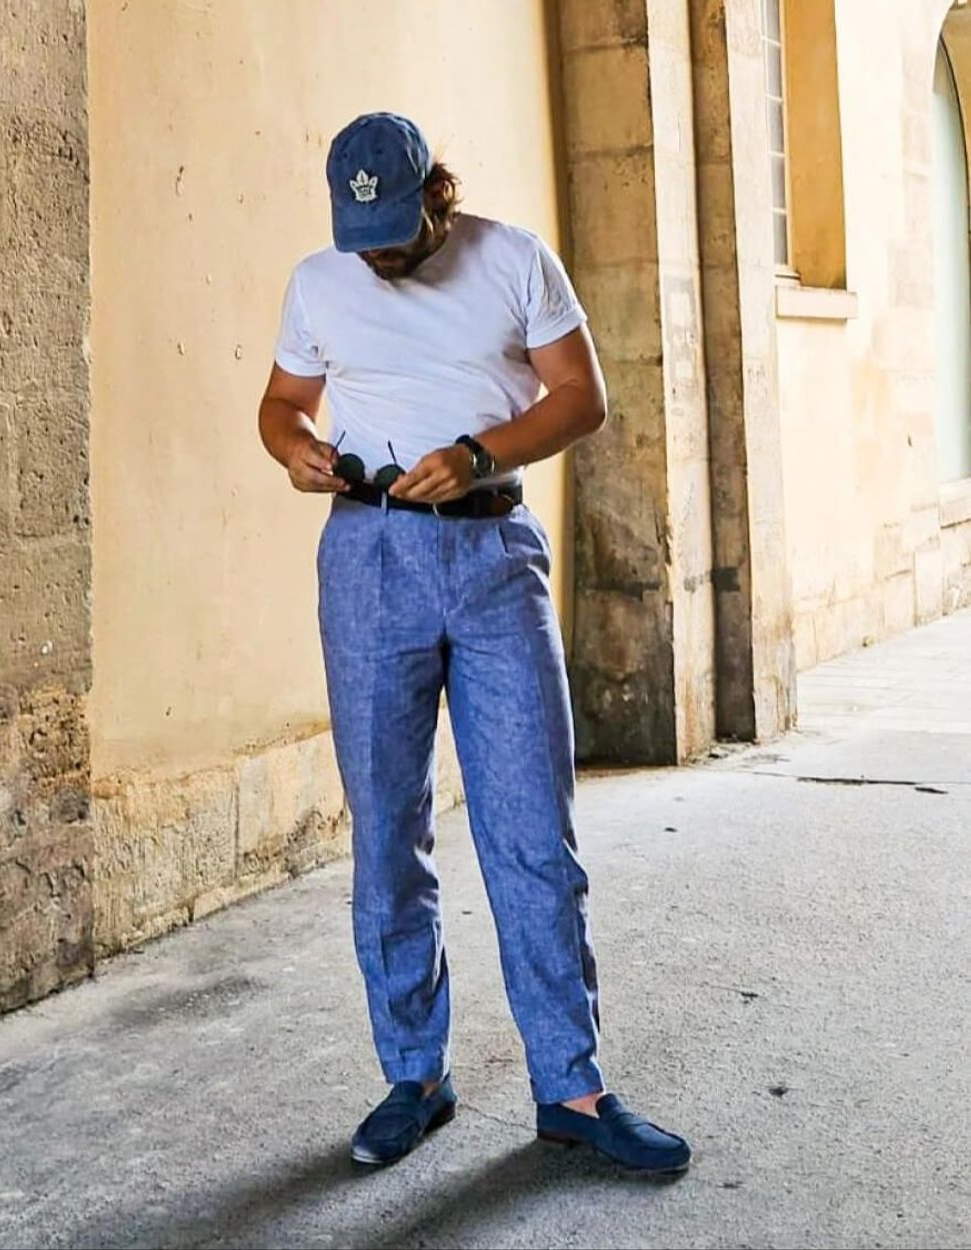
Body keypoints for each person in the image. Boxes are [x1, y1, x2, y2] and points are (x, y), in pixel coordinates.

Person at [258, 112, 691, 1175]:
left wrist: (474, 450)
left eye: (396, 231)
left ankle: (572, 1087)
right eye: (362, 233)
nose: (379, 253)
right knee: (386, 832)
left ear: (436, 195)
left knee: (532, 827)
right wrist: (296, 451)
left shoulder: (512, 259)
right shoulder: (318, 279)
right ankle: (415, 1071)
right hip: (365, 557)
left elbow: (582, 396)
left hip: (494, 550)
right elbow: (278, 405)